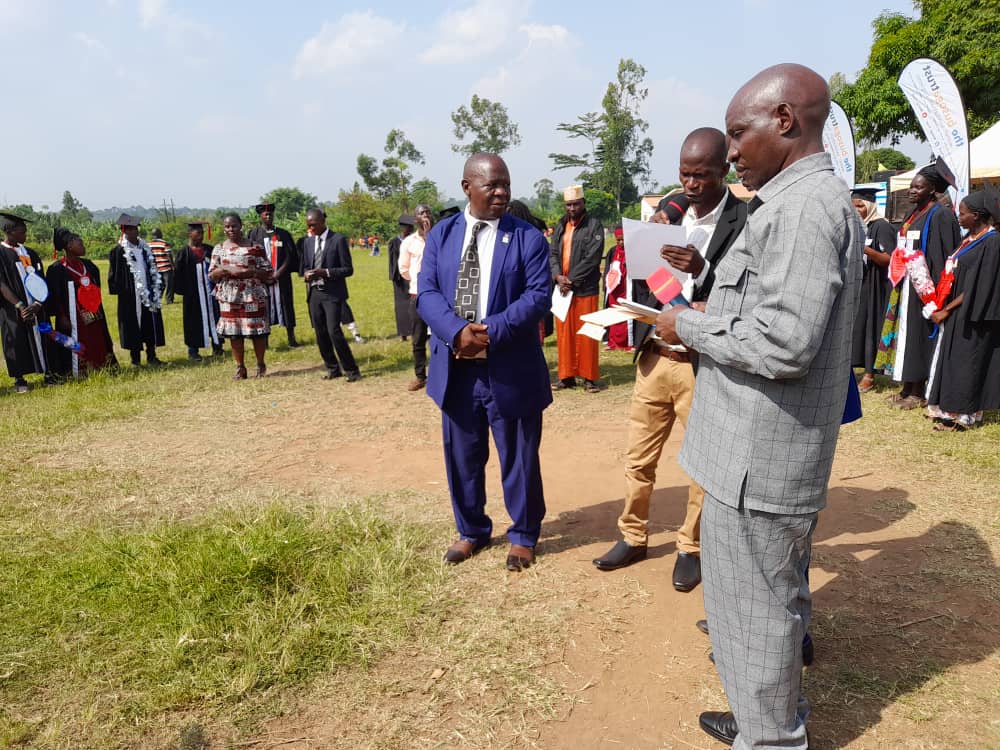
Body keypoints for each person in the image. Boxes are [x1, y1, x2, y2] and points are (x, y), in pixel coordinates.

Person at [655, 64, 863, 749]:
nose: (732, 147)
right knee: (763, 606)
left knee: (760, 613)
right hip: (749, 451)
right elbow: (765, 314)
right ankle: (765, 718)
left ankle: (771, 739)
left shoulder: (805, 208)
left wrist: (686, 326)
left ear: (785, 120)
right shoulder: (790, 203)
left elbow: (784, 343)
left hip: (760, 460)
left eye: (739, 132)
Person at [592, 128, 746, 598]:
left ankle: (690, 547)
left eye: (702, 175)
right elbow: (644, 280)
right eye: (685, 174)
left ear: (725, 170)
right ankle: (632, 536)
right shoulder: (668, 215)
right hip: (655, 359)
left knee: (700, 464)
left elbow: (748, 291)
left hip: (703, 364)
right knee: (639, 457)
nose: (692, 184)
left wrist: (703, 271)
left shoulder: (747, 220)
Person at [417, 153, 552, 571]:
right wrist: (457, 332)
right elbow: (426, 292)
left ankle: (524, 534)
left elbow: (537, 297)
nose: (501, 192)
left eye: (506, 184)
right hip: (457, 369)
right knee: (462, 456)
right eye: (492, 185)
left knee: (519, 457)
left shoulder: (527, 237)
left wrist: (489, 332)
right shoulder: (442, 235)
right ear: (466, 188)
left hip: (509, 367)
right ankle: (472, 530)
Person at [874, 165, 961, 408]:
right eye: (912, 186)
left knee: (919, 335)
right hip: (905, 284)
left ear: (932, 189)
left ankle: (918, 390)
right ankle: (907, 386)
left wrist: (933, 291)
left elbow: (946, 253)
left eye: (918, 186)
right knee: (905, 335)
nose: (912, 190)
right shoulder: (913, 214)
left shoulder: (941, 215)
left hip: (926, 288)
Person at [924, 190, 1000, 430]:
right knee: (955, 361)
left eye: (963, 213)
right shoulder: (969, 239)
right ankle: (949, 409)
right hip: (958, 310)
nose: (958, 216)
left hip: (974, 312)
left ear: (976, 216)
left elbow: (981, 284)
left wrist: (948, 309)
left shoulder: (992, 241)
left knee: (969, 362)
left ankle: (964, 415)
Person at [550, 185, 604, 392]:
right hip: (562, 288)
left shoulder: (594, 226)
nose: (572, 208)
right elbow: (553, 252)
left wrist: (570, 279)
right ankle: (566, 376)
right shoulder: (561, 225)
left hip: (584, 288)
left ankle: (589, 378)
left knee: (588, 333)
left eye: (576, 204)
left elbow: (592, 258)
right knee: (564, 334)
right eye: (569, 204)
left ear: (583, 204)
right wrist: (557, 276)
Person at [299, 207, 361, 382]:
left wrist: (325, 272)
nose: (311, 228)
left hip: (332, 294)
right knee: (321, 333)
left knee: (334, 331)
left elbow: (348, 269)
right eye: (308, 225)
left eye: (314, 224)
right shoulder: (308, 242)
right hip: (314, 293)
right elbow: (303, 266)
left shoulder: (338, 240)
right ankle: (333, 368)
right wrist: (306, 274)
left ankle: (351, 369)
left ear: (323, 221)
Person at [208, 212, 271, 379]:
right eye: (227, 226)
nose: (230, 229)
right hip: (229, 296)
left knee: (257, 331)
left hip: (252, 294)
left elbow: (268, 273)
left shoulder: (255, 247)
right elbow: (211, 275)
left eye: (234, 225)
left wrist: (251, 272)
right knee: (234, 333)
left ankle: (260, 364)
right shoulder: (219, 249)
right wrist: (222, 271)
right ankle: (240, 367)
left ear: (240, 226)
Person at [46, 228, 116, 375]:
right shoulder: (57, 269)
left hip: (94, 313)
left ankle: (103, 366)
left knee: (98, 338)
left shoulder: (89, 265)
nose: (83, 246)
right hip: (73, 317)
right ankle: (78, 370)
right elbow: (55, 296)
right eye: (80, 243)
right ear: (69, 246)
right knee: (79, 341)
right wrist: (61, 315)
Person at [0, 211, 53, 392]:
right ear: (9, 231)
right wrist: (20, 305)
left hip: (37, 305)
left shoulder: (30, 252)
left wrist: (38, 303)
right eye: (22, 231)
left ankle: (48, 373)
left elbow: (41, 278)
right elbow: (1, 284)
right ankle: (19, 379)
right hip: (12, 307)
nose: (26, 235)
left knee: (44, 335)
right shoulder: (1, 253)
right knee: (16, 340)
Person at [850, 188, 895, 391]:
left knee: (870, 329)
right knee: (855, 329)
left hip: (876, 286)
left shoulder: (881, 227)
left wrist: (863, 247)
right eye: (853, 206)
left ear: (870, 206)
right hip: (857, 285)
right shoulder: (856, 227)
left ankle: (869, 374)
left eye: (860, 206)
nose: (856, 210)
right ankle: (851, 370)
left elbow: (889, 259)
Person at [107, 214, 165, 366]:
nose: (133, 232)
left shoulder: (146, 248)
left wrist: (156, 286)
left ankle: (152, 355)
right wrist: (123, 291)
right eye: (129, 229)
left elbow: (153, 269)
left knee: (149, 323)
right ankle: (135, 359)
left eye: (135, 229)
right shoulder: (119, 251)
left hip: (148, 292)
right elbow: (114, 275)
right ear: (123, 231)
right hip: (131, 296)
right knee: (133, 325)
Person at [247, 202, 299, 348]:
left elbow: (290, 256)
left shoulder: (283, 234)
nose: (268, 215)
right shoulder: (254, 234)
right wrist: (263, 275)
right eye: (265, 213)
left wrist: (277, 274)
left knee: (287, 306)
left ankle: (291, 339)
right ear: (260, 216)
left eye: (270, 213)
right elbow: (250, 256)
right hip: (261, 280)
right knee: (263, 309)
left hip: (281, 279)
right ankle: (265, 342)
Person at [174, 221, 223, 360]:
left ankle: (217, 346)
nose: (201, 236)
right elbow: (177, 274)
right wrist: (184, 291)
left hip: (211, 293)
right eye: (198, 233)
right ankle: (193, 350)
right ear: (190, 234)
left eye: (202, 233)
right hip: (193, 295)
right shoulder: (184, 252)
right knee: (193, 321)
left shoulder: (209, 250)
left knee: (215, 317)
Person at [398, 204, 433, 391]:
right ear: (415, 219)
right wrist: (420, 282)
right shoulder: (409, 242)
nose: (425, 216)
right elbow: (404, 269)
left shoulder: (439, 238)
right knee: (418, 338)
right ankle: (420, 376)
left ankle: (439, 375)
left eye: (428, 212)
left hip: (439, 296)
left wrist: (430, 237)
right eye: (421, 213)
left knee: (441, 338)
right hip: (418, 295)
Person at [388, 214, 416, 340]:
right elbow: (392, 261)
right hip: (399, 278)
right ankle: (403, 333)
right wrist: (394, 276)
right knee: (400, 306)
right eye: (405, 227)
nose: (408, 229)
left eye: (410, 227)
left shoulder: (416, 240)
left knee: (414, 304)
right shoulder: (394, 242)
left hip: (413, 276)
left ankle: (416, 330)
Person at [603, 227, 630, 350]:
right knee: (613, 313)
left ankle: (627, 342)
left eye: (623, 240)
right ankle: (612, 341)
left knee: (626, 313)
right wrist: (606, 285)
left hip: (627, 289)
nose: (621, 242)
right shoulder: (612, 251)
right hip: (614, 290)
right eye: (618, 240)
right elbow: (607, 270)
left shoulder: (632, 251)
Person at [149, 228, 175, 304]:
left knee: (160, 284)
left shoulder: (149, 244)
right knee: (169, 285)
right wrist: (172, 265)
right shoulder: (164, 243)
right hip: (166, 267)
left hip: (157, 268)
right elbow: (168, 254)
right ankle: (169, 300)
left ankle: (158, 298)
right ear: (159, 234)